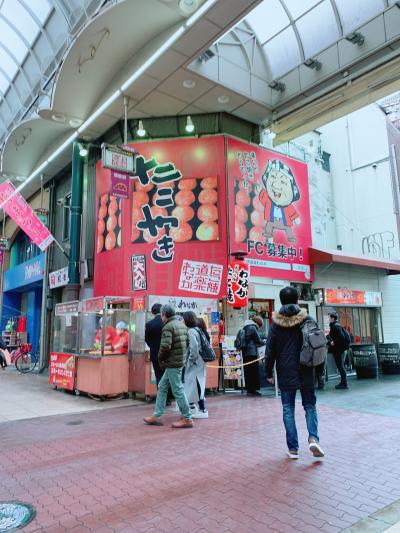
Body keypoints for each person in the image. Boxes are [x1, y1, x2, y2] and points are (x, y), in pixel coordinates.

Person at [265, 286, 324, 460]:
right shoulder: (307, 319)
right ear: (297, 300)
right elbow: (319, 344)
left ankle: (293, 449)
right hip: (306, 368)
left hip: (285, 370)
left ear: (281, 301)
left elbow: (270, 350)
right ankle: (313, 438)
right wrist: (320, 371)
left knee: (288, 408)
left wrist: (268, 372)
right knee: (310, 406)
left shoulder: (276, 324)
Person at [144, 305, 193, 428]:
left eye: (162, 315)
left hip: (172, 363)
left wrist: (160, 359)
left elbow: (165, 347)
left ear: (164, 314)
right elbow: (188, 344)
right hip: (178, 362)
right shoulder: (181, 325)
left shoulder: (168, 326)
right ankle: (157, 415)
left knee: (177, 389)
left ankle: (187, 417)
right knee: (162, 386)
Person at [183, 312, 209, 419]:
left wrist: (190, 361)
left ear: (187, 320)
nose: (183, 321)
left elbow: (194, 348)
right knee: (196, 385)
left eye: (184, 319)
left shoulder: (191, 331)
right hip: (200, 362)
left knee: (196, 385)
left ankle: (202, 409)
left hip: (195, 363)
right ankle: (193, 407)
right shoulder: (198, 330)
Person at [242, 316, 266, 396]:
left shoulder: (245, 327)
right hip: (252, 353)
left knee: (248, 372)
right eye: (259, 325)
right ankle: (253, 390)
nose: (258, 327)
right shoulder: (252, 327)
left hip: (245, 353)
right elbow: (258, 340)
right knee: (253, 372)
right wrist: (265, 342)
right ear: (257, 323)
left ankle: (249, 389)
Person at [145, 303, 164, 385]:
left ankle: (160, 392)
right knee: (167, 376)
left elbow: (147, 339)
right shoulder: (167, 322)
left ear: (152, 312)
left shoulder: (149, 324)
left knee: (158, 375)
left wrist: (153, 346)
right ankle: (167, 392)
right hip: (167, 354)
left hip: (155, 354)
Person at [328, 312, 348, 390]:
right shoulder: (335, 325)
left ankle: (344, 383)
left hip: (338, 350)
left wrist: (334, 342)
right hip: (338, 349)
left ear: (333, 318)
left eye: (329, 318)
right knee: (340, 366)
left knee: (340, 366)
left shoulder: (336, 326)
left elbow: (342, 337)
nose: (328, 319)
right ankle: (343, 382)